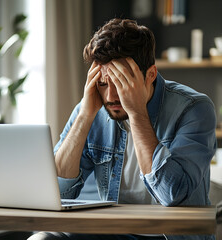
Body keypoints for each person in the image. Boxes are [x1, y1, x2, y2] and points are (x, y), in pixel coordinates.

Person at [28, 18, 216, 240]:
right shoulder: (94, 106)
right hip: (113, 232)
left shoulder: (194, 109)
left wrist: (137, 113)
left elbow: (172, 195)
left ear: (151, 75)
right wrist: (85, 116)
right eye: (103, 83)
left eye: (122, 83)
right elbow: (55, 193)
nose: (110, 96)